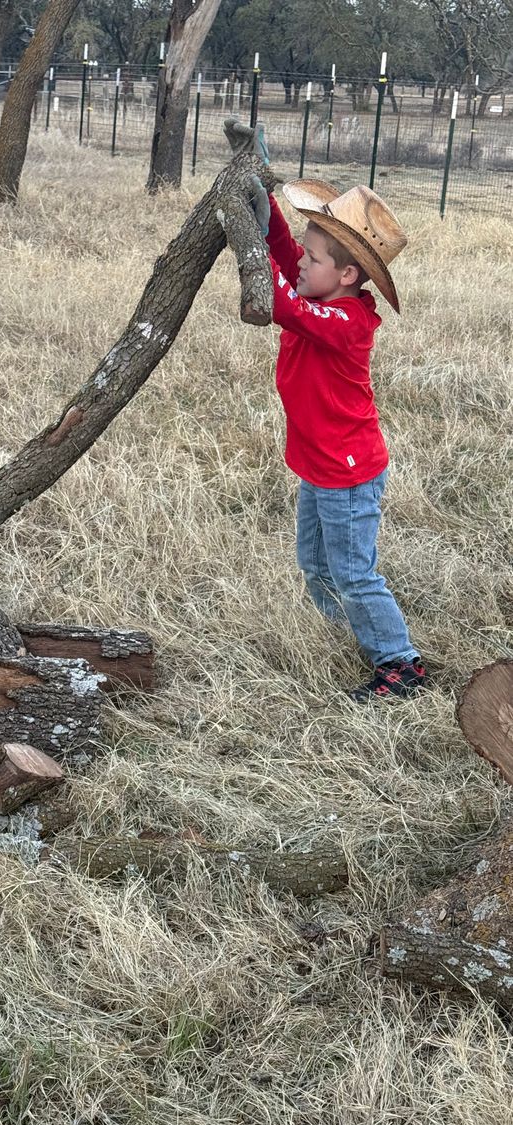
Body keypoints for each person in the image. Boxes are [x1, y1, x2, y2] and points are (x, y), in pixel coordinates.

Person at [250, 135, 426, 702]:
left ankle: (399, 665)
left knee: (353, 572)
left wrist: (247, 243)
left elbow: (284, 301)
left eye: (315, 257)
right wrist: (265, 207)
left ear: (348, 276)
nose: (302, 261)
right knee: (316, 564)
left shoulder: (345, 323)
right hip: (320, 465)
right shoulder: (323, 297)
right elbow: (288, 264)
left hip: (348, 474)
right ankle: (342, 635)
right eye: (306, 251)